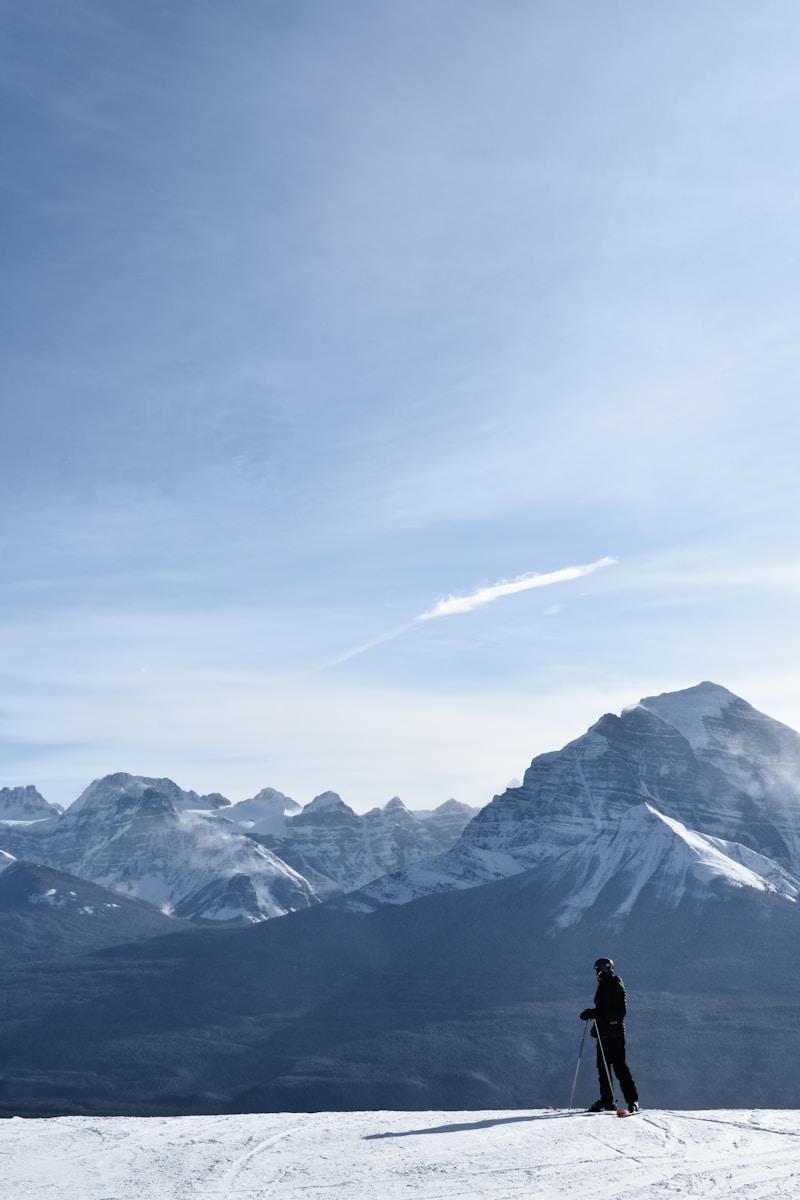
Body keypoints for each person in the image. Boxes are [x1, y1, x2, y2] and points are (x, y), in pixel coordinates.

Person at [579, 956, 640, 1113]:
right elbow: (607, 1010)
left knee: (619, 1067)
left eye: (597, 970)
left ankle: (632, 1100)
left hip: (614, 1033)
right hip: (604, 1032)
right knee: (603, 1067)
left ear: (601, 970)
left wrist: (595, 1013)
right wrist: (595, 1014)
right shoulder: (606, 984)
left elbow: (620, 1012)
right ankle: (608, 1100)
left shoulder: (614, 984)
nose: (596, 973)